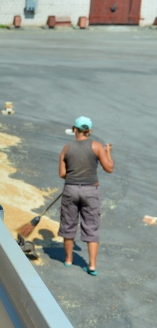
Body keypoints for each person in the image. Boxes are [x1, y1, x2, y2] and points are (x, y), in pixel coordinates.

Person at [58, 116, 114, 276]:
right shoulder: (97, 146)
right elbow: (109, 168)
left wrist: (73, 178)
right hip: (90, 191)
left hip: (71, 189)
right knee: (91, 226)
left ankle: (68, 260)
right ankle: (92, 265)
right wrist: (108, 152)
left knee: (68, 224)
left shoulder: (66, 148)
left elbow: (62, 173)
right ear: (90, 131)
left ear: (74, 129)